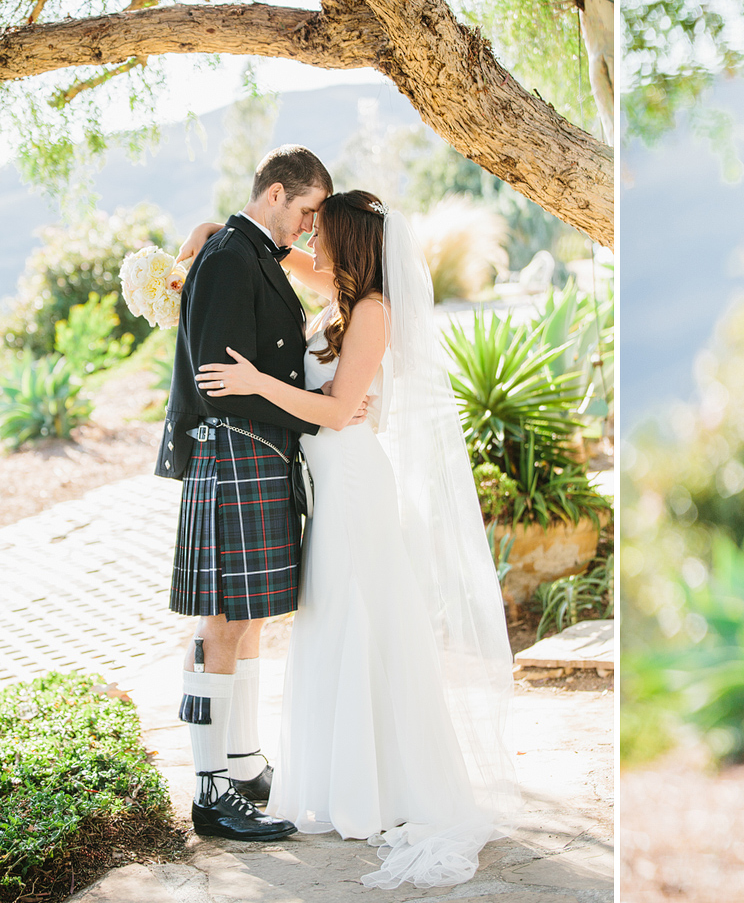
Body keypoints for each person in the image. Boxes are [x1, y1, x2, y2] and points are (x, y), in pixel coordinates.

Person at [184, 189, 518, 888]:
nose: (311, 236)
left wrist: (253, 382)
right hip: (329, 487)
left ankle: (381, 786)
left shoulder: (372, 311)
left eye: (321, 229)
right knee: (333, 623)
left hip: (356, 488)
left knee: (358, 623)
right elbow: (255, 244)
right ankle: (346, 780)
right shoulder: (337, 292)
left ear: (349, 242)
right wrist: (205, 236)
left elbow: (337, 411)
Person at [159, 145, 335, 843]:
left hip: (256, 459)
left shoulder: (250, 250)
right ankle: (210, 794)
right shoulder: (232, 255)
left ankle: (244, 764)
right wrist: (312, 414)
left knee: (250, 619)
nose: (309, 227)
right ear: (276, 193)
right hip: (235, 454)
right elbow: (219, 379)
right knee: (222, 625)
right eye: (307, 211)